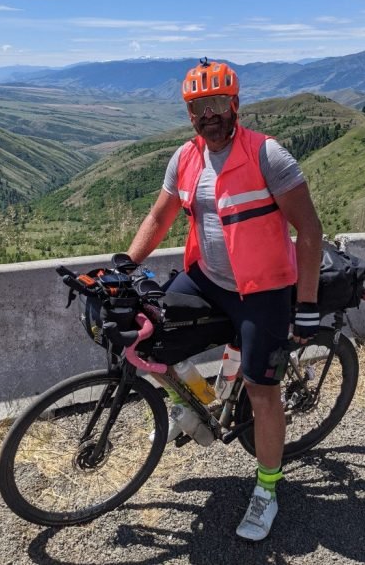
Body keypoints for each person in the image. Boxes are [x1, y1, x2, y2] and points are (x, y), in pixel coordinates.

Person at [127, 57, 323, 542]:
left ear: (235, 105)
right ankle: (201, 405)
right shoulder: (185, 157)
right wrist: (124, 264)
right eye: (199, 107)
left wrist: (307, 304)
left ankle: (267, 489)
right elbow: (159, 217)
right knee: (153, 337)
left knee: (262, 391)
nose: (209, 114)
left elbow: (309, 231)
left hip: (263, 290)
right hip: (208, 278)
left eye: (217, 103)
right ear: (189, 114)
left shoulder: (267, 155)